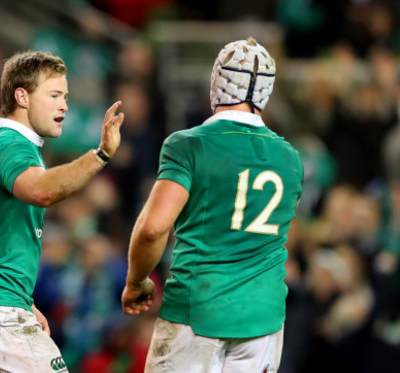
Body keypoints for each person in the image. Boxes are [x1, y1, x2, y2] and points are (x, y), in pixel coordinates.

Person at [121, 38, 304, 372]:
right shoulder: (291, 158)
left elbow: (152, 229)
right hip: (263, 319)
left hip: (197, 310)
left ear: (217, 81)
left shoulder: (188, 145)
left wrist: (136, 282)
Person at [0, 50, 124, 372]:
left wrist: (23, 300)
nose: (64, 105)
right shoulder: (12, 145)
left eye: (65, 96)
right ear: (22, 96)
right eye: (54, 95)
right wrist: (101, 155)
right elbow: (41, 190)